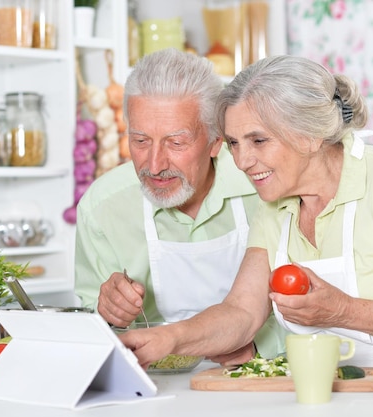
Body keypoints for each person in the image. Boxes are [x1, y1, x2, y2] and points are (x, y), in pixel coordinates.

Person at [118, 55, 373, 374]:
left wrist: (343, 311)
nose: (243, 161)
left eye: (258, 140)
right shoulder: (276, 204)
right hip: (339, 398)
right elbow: (241, 313)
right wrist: (168, 338)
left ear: (311, 135)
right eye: (234, 143)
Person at [74, 48, 287, 361]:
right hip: (153, 385)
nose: (156, 165)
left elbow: (310, 310)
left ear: (216, 141)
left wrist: (256, 348)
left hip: (259, 374)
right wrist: (108, 312)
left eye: (176, 143)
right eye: (140, 141)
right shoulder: (102, 206)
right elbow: (88, 330)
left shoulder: (263, 188)